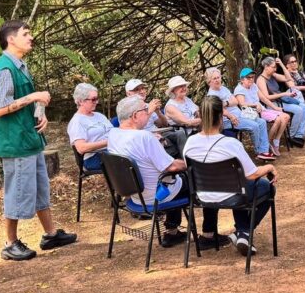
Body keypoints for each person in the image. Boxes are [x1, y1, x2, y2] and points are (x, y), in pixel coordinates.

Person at [0, 20, 77, 261]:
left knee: (40, 188)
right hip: (15, 143)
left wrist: (41, 113)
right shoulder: (5, 69)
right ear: (11, 39)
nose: (31, 37)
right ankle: (10, 244)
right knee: (17, 191)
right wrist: (33, 96)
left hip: (29, 138)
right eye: (25, 34)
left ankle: (51, 235)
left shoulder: (20, 66)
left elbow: (25, 101)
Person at [183, 95, 276, 255]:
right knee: (266, 187)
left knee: (238, 185)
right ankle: (244, 232)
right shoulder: (231, 143)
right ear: (221, 117)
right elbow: (252, 174)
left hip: (202, 196)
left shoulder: (190, 142)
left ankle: (242, 233)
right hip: (233, 196)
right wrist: (269, 167)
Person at [107, 96, 190, 248]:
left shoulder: (113, 134)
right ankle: (209, 234)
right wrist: (191, 163)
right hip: (156, 196)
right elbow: (171, 167)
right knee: (193, 176)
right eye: (145, 110)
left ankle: (172, 232)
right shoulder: (144, 137)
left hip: (134, 195)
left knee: (172, 178)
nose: (148, 112)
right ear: (135, 115)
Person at [205, 66, 273, 157]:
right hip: (230, 120)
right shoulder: (211, 95)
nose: (217, 80)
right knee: (254, 126)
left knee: (262, 122)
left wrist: (225, 103)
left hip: (241, 115)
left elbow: (235, 101)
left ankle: (264, 150)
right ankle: (259, 152)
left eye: (218, 77)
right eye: (214, 78)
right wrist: (230, 114)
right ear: (209, 81)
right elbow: (220, 109)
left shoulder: (224, 89)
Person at [234, 69, 288, 158]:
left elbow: (263, 98)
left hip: (262, 109)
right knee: (278, 119)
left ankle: (273, 142)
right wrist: (255, 105)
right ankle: (268, 143)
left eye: (253, 77)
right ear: (242, 79)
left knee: (286, 116)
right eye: (248, 77)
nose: (251, 79)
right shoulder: (239, 89)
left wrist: (275, 108)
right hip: (252, 113)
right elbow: (242, 104)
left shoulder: (254, 86)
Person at [259, 57, 305, 146]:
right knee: (299, 110)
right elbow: (267, 97)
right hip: (273, 104)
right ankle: (291, 136)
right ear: (266, 67)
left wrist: (281, 64)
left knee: (304, 108)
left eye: (276, 67)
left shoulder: (273, 75)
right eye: (273, 67)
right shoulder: (261, 80)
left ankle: (298, 135)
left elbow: (289, 79)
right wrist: (284, 94)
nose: (275, 69)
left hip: (281, 100)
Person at [67, 83, 111, 170]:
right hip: (93, 157)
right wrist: (108, 142)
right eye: (93, 99)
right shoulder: (77, 121)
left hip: (110, 151)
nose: (96, 102)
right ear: (81, 101)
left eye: (97, 98)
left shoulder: (99, 115)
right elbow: (81, 148)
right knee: (129, 159)